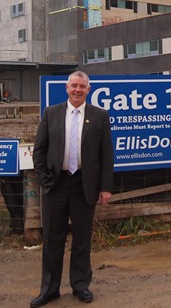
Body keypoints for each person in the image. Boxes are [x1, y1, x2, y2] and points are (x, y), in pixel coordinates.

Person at [30, 71, 114, 307]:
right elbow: (39, 150)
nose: (78, 90)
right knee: (52, 239)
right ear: (67, 88)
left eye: (82, 86)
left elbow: (106, 155)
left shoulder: (100, 116)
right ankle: (49, 289)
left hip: (84, 186)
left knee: (82, 239)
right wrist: (45, 180)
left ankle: (80, 285)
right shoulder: (51, 113)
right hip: (56, 185)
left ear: (88, 89)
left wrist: (105, 187)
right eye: (74, 86)